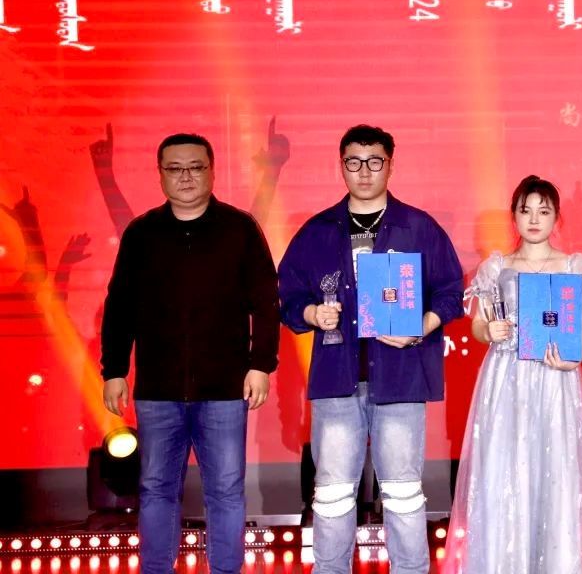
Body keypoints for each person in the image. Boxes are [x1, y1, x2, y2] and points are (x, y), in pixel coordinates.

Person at [278, 124, 464, 574]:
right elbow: (286, 296)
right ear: (341, 166)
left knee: (402, 491)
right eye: (354, 162)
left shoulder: (418, 227)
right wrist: (312, 314)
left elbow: (451, 292)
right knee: (332, 493)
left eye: (374, 161)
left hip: (400, 377)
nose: (364, 171)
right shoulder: (318, 231)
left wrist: (421, 325)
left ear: (390, 165)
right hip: (337, 379)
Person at [100, 133, 280, 574]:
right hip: (158, 389)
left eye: (196, 167)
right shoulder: (142, 233)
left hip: (224, 389)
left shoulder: (239, 229)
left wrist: (261, 364)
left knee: (226, 491)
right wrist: (115, 369)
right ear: (160, 174)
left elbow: (266, 302)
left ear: (212, 172)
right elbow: (120, 304)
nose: (186, 176)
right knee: (156, 489)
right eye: (175, 168)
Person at [444, 175, 582, 574]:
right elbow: (478, 324)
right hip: (507, 380)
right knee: (506, 472)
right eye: (526, 211)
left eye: (544, 211)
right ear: (514, 216)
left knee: (557, 475)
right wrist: (489, 331)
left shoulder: (573, 266)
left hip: (555, 379)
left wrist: (576, 357)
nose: (534, 220)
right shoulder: (497, 267)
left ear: (556, 217)